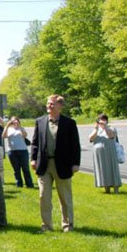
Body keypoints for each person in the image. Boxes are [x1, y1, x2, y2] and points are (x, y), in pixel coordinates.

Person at [30, 94, 81, 233]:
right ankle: (46, 225)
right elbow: (35, 143)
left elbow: (75, 145)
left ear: (60, 106)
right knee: (44, 196)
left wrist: (75, 163)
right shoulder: (39, 121)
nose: (49, 106)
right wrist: (33, 159)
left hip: (63, 165)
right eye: (48, 103)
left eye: (52, 104)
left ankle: (67, 225)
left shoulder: (69, 123)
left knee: (65, 197)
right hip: (44, 164)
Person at [89, 113, 122, 194]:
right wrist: (96, 129)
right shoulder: (96, 130)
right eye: (101, 120)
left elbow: (111, 136)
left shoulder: (111, 128)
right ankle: (106, 189)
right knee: (103, 171)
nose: (102, 122)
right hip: (100, 155)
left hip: (110, 153)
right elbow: (91, 138)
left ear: (107, 121)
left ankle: (116, 189)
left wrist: (105, 127)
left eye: (104, 120)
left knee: (112, 169)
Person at [3, 116, 34, 188]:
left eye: (16, 120)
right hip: (12, 151)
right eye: (13, 121)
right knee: (16, 169)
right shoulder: (9, 129)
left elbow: (25, 135)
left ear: (18, 121)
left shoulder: (21, 128)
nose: (15, 122)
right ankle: (19, 184)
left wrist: (20, 127)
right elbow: (3, 136)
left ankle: (29, 184)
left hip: (23, 150)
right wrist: (7, 126)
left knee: (25, 168)